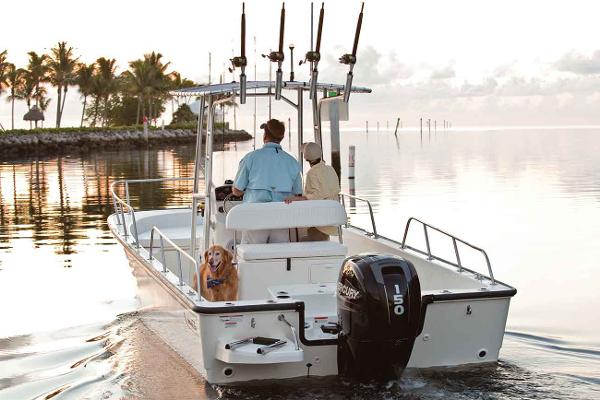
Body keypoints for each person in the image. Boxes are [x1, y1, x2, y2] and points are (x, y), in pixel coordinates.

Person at [232, 119, 302, 244]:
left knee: (252, 256)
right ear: (281, 137)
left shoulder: (250, 158)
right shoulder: (292, 161)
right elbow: (297, 194)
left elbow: (237, 191)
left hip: (255, 217)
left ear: (265, 135)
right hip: (281, 218)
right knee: (280, 257)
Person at [284, 142, 341, 241]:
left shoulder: (312, 173)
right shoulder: (330, 169)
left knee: (302, 240)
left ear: (306, 159)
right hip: (333, 217)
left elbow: (316, 195)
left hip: (321, 222)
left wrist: (296, 198)